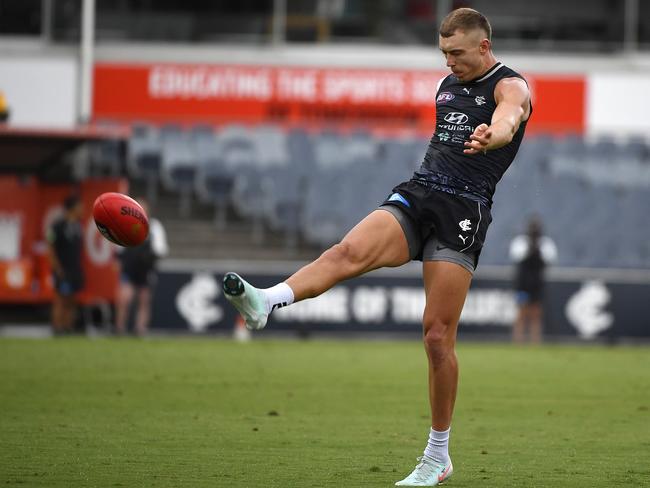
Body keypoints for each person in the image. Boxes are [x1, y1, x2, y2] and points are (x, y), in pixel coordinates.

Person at [223, 8, 532, 486]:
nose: (448, 61)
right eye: (443, 52)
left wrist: (495, 134)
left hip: (464, 209)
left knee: (435, 337)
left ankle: (437, 456)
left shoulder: (510, 86)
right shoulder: (443, 86)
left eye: (456, 52)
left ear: (484, 47)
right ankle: (267, 301)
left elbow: (510, 118)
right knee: (346, 252)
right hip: (422, 190)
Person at [114, 199, 168, 336]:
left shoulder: (154, 227)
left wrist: (149, 257)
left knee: (144, 299)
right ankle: (120, 328)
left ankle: (140, 328)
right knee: (125, 298)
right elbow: (119, 249)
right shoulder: (125, 225)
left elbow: (161, 249)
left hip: (145, 269)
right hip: (129, 268)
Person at [509, 216, 557, 344]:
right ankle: (518, 341)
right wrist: (530, 248)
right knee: (521, 313)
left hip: (537, 284)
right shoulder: (521, 242)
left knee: (536, 313)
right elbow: (517, 257)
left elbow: (549, 259)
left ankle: (535, 342)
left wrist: (537, 248)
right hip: (523, 284)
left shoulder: (545, 244)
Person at [47, 194, 85, 334]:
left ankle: (68, 327)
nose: (82, 209)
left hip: (75, 269)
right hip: (63, 269)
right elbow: (50, 248)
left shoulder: (78, 226)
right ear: (72, 208)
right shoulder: (57, 226)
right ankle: (57, 327)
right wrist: (57, 268)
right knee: (60, 299)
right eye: (80, 206)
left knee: (72, 299)